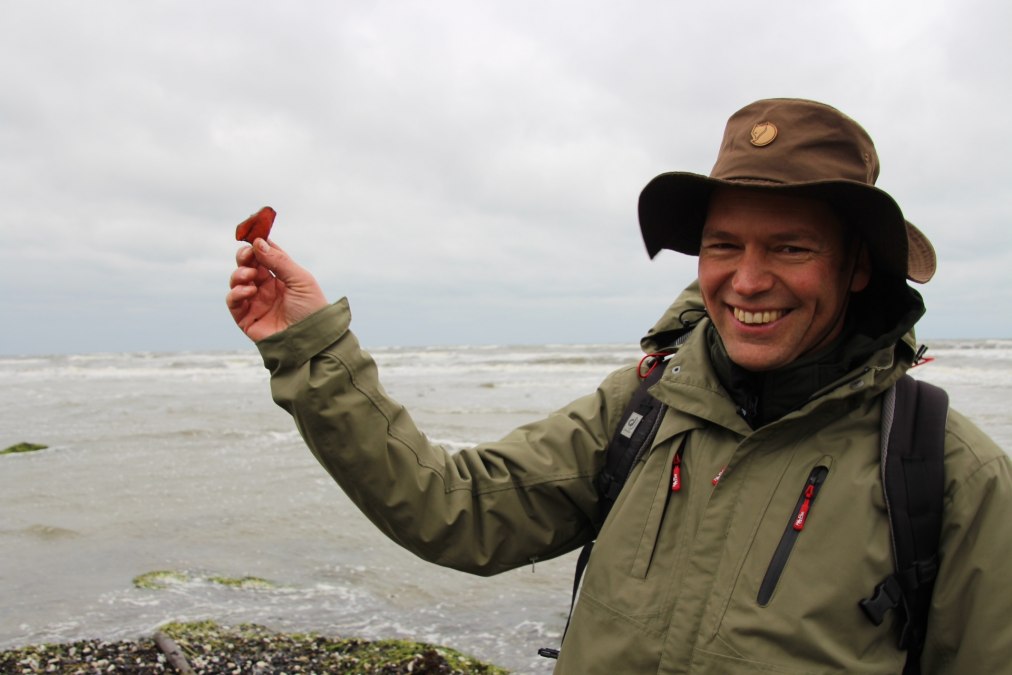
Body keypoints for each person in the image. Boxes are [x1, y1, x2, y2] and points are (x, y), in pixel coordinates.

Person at [226, 98, 1012, 673]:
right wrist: (311, 343)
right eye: (722, 244)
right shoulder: (643, 407)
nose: (747, 278)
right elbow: (453, 508)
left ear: (857, 265)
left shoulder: (944, 473)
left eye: (791, 246)